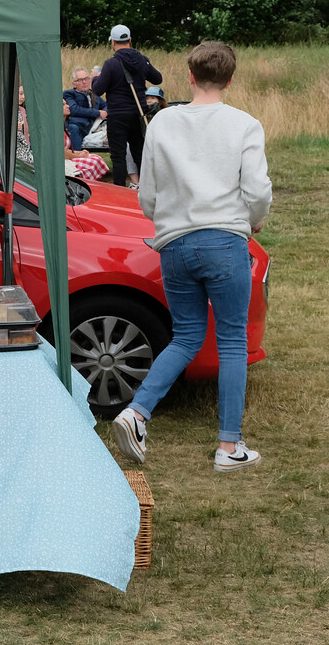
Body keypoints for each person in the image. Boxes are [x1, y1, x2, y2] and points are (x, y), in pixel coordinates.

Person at [112, 42, 272, 472]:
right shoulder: (244, 124)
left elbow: (147, 192)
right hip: (224, 241)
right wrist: (253, 220)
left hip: (176, 243)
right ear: (231, 79)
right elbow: (256, 191)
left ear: (190, 76)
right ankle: (229, 447)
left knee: (185, 337)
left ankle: (136, 411)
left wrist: (163, 217)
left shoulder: (163, 121)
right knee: (232, 341)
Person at [92, 25, 163, 188]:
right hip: (138, 114)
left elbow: (98, 89)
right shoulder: (142, 59)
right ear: (130, 40)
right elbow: (157, 78)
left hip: (117, 115)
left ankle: (119, 190)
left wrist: (96, 78)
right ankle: (146, 189)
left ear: (112, 42)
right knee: (139, 154)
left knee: (118, 156)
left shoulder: (111, 64)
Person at [63, 67, 107, 151]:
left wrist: (104, 112)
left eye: (86, 79)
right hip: (77, 127)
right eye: (80, 80)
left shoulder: (94, 94)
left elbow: (106, 105)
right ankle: (77, 157)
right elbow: (74, 109)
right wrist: (97, 113)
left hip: (93, 129)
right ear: (74, 84)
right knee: (73, 128)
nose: (84, 82)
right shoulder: (69, 94)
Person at [63, 103, 109, 181]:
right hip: (63, 160)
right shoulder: (55, 129)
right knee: (90, 162)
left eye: (67, 104)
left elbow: (106, 104)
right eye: (63, 105)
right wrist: (79, 155)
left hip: (67, 155)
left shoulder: (63, 125)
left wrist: (80, 153)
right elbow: (61, 153)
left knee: (96, 158)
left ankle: (90, 182)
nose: (68, 106)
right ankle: (83, 183)